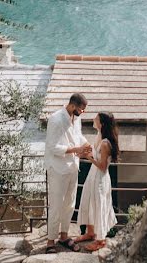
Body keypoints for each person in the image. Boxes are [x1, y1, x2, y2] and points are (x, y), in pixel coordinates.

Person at [44, 93, 92, 254]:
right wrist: (76, 150)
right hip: (58, 168)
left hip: (72, 166)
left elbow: (77, 136)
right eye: (81, 109)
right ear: (73, 105)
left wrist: (86, 145)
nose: (83, 112)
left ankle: (64, 236)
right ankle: (50, 241)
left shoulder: (76, 118)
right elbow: (52, 147)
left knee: (70, 203)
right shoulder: (56, 119)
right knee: (56, 205)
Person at [76, 112, 119, 252]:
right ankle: (90, 232)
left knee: (99, 205)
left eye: (96, 118)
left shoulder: (106, 143)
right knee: (88, 201)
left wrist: (88, 157)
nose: (94, 119)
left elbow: (103, 166)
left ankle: (100, 240)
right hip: (92, 175)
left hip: (100, 177)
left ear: (102, 123)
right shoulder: (98, 136)